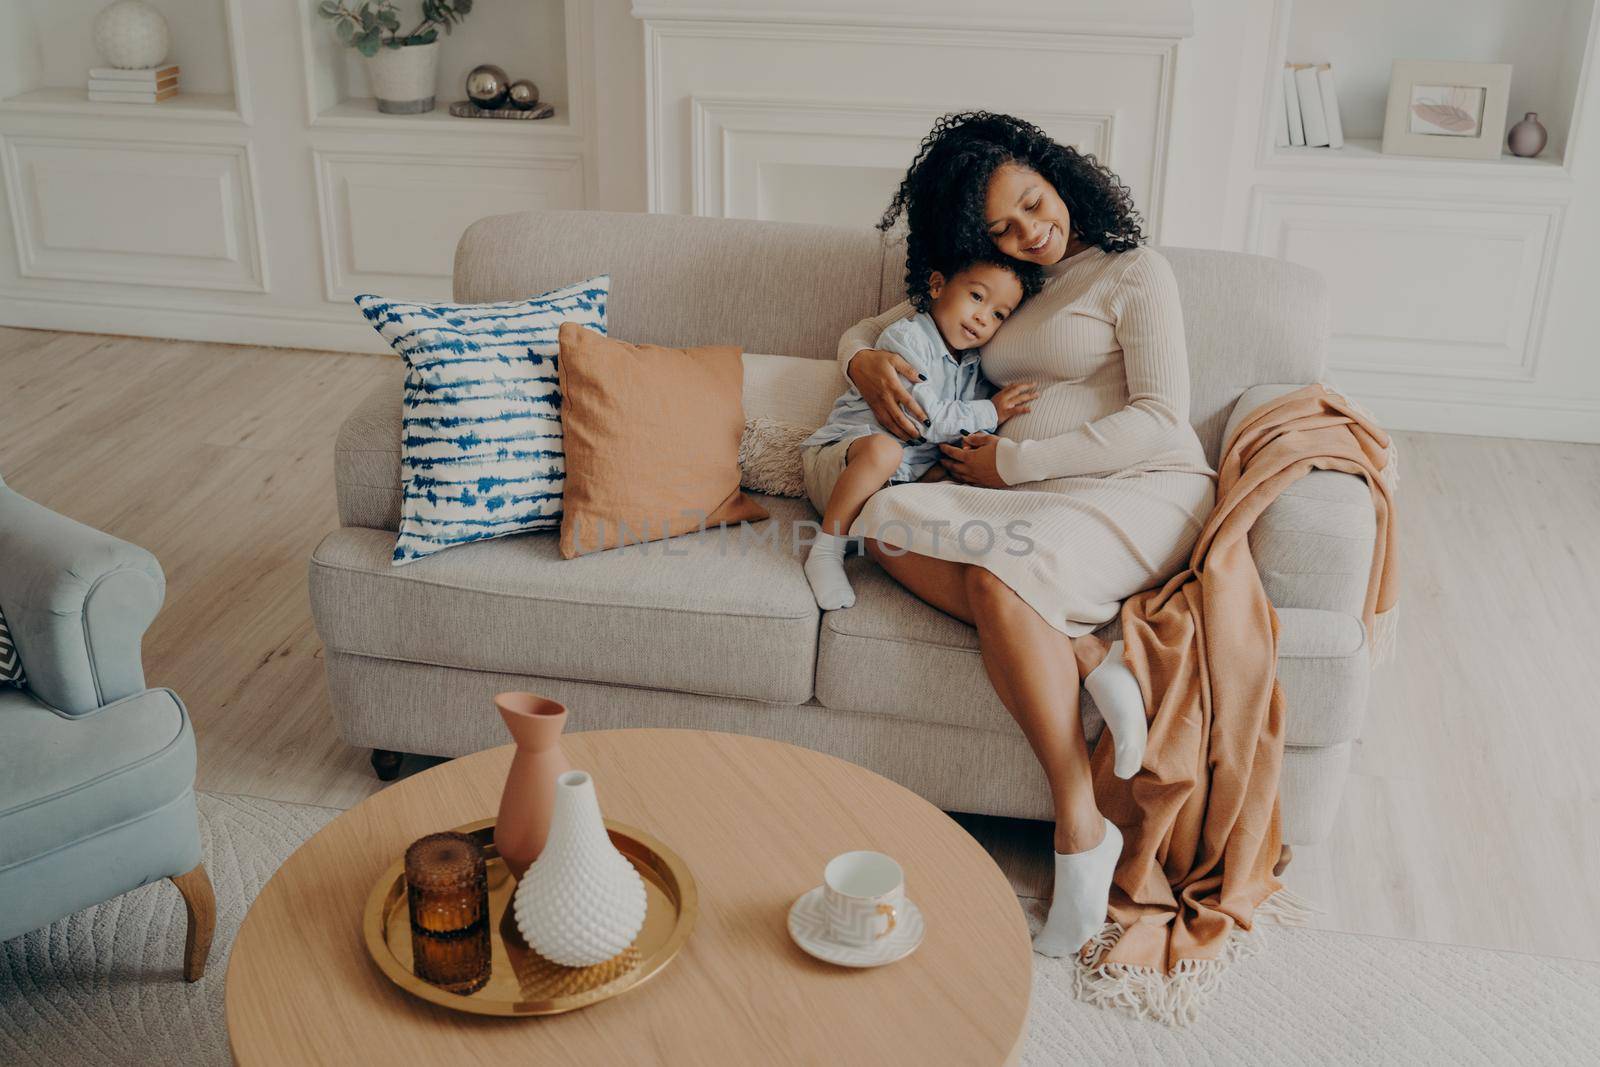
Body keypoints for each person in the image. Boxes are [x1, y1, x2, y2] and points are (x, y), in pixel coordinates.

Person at [836, 112, 1218, 959]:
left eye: (1036, 206)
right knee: (880, 517)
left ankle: (1079, 832)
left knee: (1001, 575)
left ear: (1060, 177)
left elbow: (1161, 418)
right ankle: (1089, 656)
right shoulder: (1008, 276)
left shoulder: (1133, 271)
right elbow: (892, 324)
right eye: (1002, 227)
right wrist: (858, 358)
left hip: (1143, 486)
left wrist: (1014, 464)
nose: (1030, 233)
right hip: (1029, 499)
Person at [799, 253, 1041, 611]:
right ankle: (826, 550)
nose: (982, 317)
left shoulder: (973, 368)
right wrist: (993, 409)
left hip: (897, 483)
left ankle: (862, 531)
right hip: (839, 465)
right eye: (977, 297)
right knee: (884, 451)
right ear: (938, 285)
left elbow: (960, 430)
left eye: (998, 314)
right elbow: (929, 420)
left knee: (954, 473)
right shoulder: (906, 339)